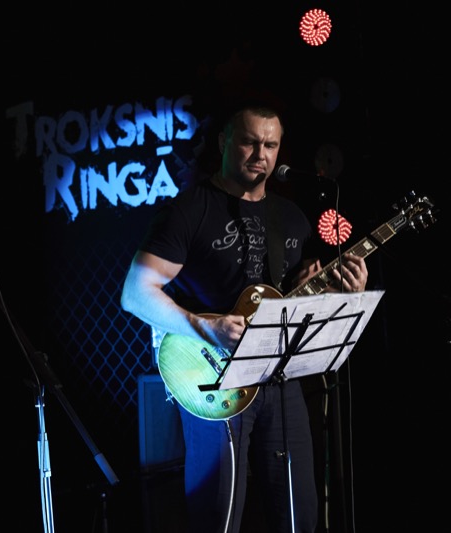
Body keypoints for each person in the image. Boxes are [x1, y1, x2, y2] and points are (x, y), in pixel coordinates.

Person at [120, 100, 368, 533]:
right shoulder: (189, 210)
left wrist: (344, 292)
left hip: (280, 379)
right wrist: (206, 327)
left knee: (300, 515)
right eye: (250, 143)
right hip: (213, 379)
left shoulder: (291, 218)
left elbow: (290, 300)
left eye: (270, 146)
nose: (261, 155)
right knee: (217, 517)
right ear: (223, 142)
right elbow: (135, 295)